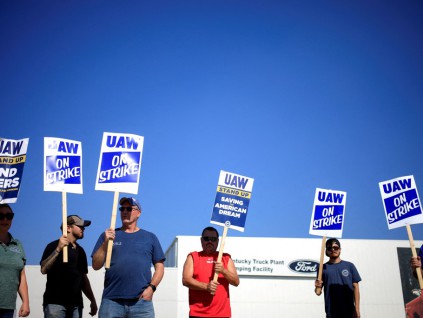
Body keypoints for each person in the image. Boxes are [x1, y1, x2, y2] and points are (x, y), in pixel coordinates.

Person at [92, 197, 165, 318]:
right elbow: (95, 265)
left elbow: (160, 267)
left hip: (141, 302)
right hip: (111, 301)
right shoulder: (108, 235)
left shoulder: (150, 237)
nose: (125, 211)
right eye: (122, 209)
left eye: (129, 208)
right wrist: (105, 243)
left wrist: (151, 288)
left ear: (139, 213)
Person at [40, 214, 98, 318]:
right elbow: (44, 269)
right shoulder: (53, 246)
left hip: (76, 305)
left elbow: (83, 278)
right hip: (55, 304)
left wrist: (92, 300)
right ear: (68, 228)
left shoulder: (81, 251)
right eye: (80, 226)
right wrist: (58, 249)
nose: (83, 229)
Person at [182, 226, 240, 318]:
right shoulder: (193, 256)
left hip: (222, 314)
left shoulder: (225, 258)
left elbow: (236, 282)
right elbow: (186, 280)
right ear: (201, 240)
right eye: (206, 239)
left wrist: (223, 271)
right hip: (198, 314)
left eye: (213, 239)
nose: (210, 241)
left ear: (218, 241)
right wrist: (206, 286)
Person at [314, 238, 361, 318]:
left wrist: (357, 308)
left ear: (340, 249)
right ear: (326, 251)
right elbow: (318, 292)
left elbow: (355, 287)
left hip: (349, 311)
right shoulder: (322, 268)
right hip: (331, 312)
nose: (333, 250)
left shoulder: (349, 266)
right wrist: (317, 287)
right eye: (329, 248)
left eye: (335, 248)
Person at [0, 203, 30, 318]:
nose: (5, 219)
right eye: (1, 216)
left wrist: (26, 302)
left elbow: (21, 275)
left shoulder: (18, 244)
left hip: (8, 307)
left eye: (9, 216)